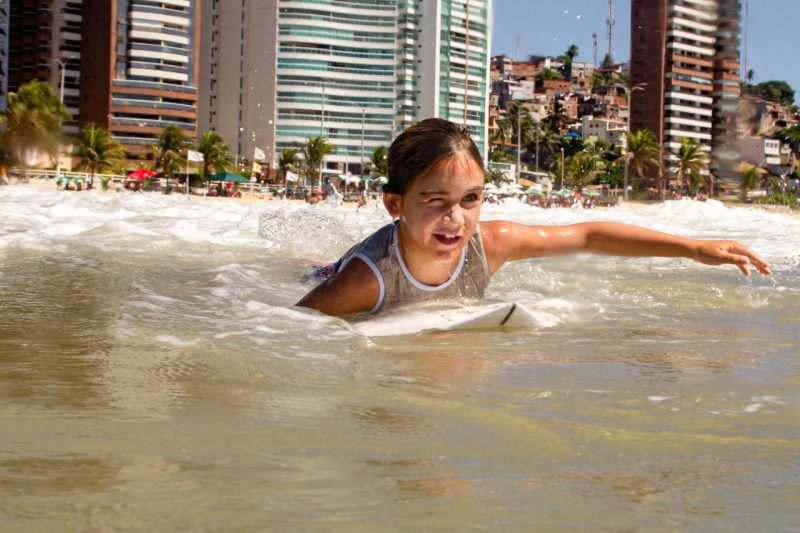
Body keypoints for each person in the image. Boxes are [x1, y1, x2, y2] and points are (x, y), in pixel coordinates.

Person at [297, 118, 772, 317]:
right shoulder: (368, 278)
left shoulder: (492, 243)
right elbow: (293, 325)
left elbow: (588, 235)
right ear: (395, 204)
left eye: (470, 199)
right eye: (435, 200)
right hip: (332, 274)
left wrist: (693, 249)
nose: (455, 218)